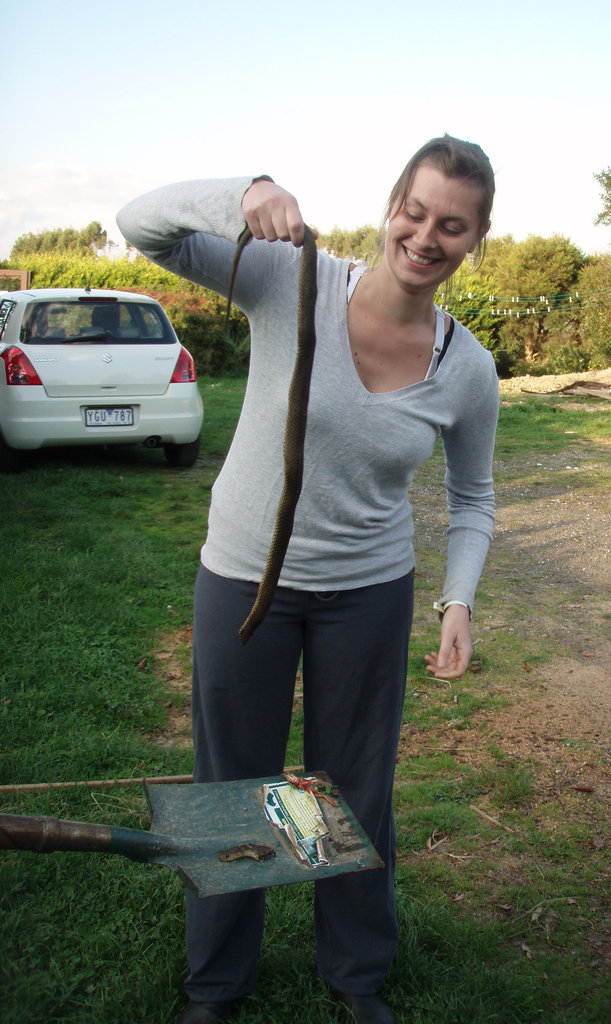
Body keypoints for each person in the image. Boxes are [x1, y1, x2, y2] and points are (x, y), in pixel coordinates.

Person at [117, 134, 499, 1024]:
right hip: (244, 576)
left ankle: (356, 977)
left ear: (475, 237)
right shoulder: (292, 278)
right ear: (391, 204)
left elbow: (475, 497)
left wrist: (459, 599)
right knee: (231, 786)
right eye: (415, 210)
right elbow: (142, 227)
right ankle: (216, 986)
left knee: (353, 788)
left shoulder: (467, 367)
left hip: (368, 592)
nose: (425, 236)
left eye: (452, 224)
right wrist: (244, 190)